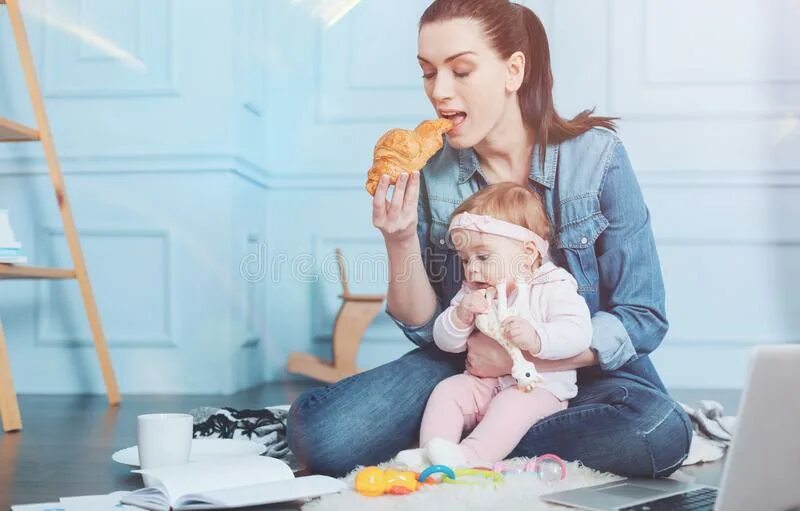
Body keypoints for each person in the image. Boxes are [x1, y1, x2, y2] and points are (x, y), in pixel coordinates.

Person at [288, 0, 692, 478]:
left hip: (585, 372)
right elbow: (425, 327)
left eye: (460, 70)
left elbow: (642, 315)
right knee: (322, 435)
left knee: (658, 430)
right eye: (428, 72)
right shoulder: (431, 175)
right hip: (469, 369)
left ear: (513, 70)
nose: (439, 92)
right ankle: (480, 439)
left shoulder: (597, 159)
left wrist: (525, 354)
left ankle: (464, 446)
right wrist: (398, 240)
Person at [395, 182, 593, 469]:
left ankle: (469, 457)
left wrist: (538, 338)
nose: (472, 268)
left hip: (536, 388)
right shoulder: (472, 293)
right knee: (448, 391)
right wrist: (459, 317)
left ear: (527, 254)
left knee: (509, 407)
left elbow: (578, 332)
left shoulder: (554, 285)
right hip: (484, 382)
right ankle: (432, 453)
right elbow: (446, 342)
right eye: (465, 260)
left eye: (483, 257)